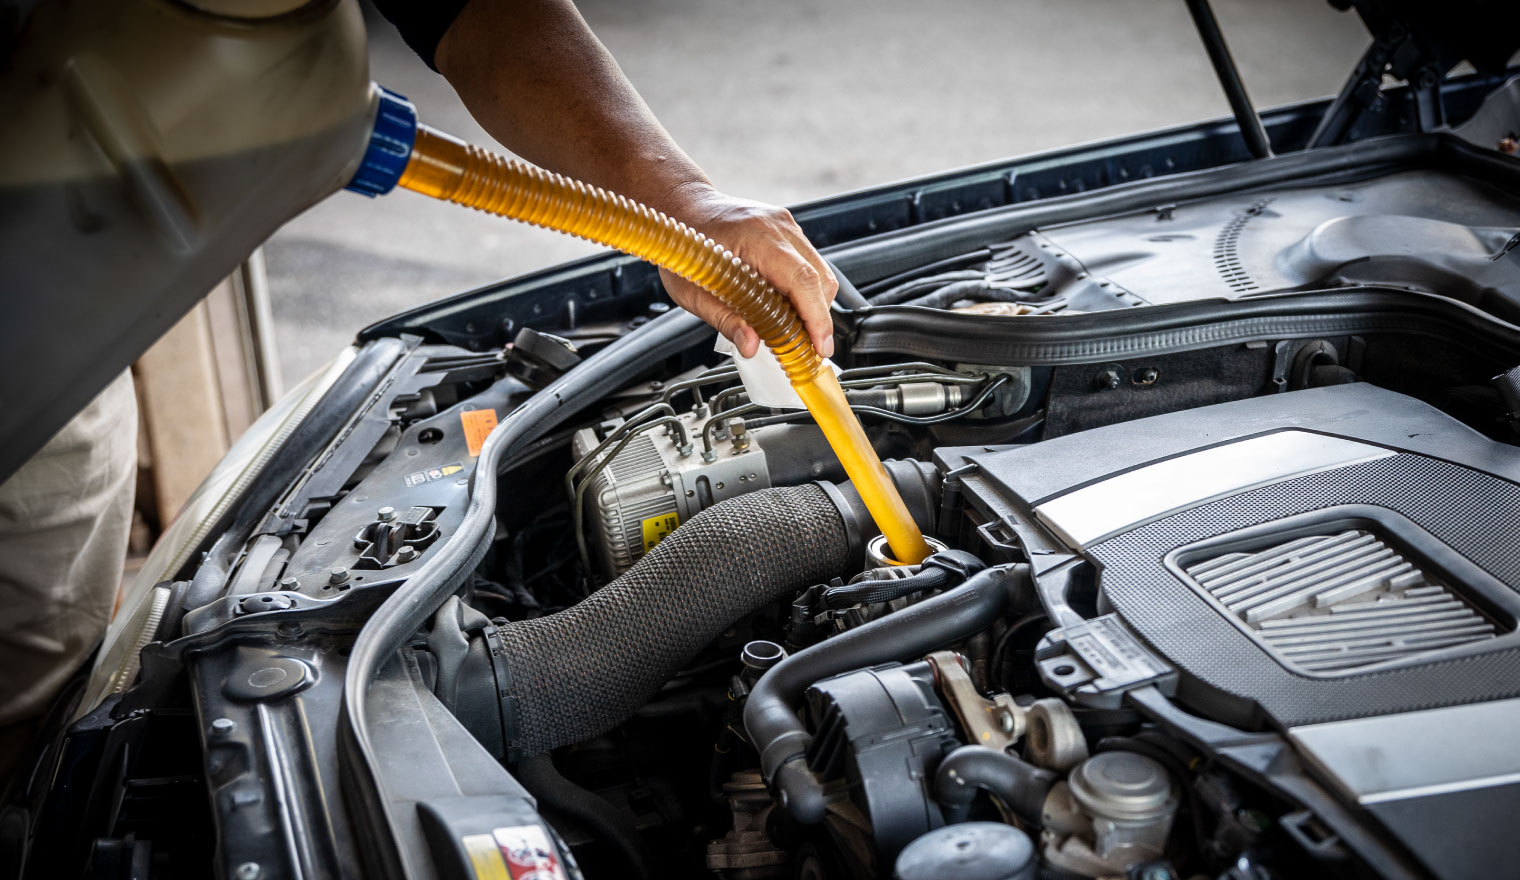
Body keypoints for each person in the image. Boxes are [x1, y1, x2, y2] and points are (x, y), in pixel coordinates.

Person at [0, 0, 837, 781]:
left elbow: (478, 13)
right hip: (46, 292)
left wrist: (684, 205)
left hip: (49, 331)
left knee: (26, 685)